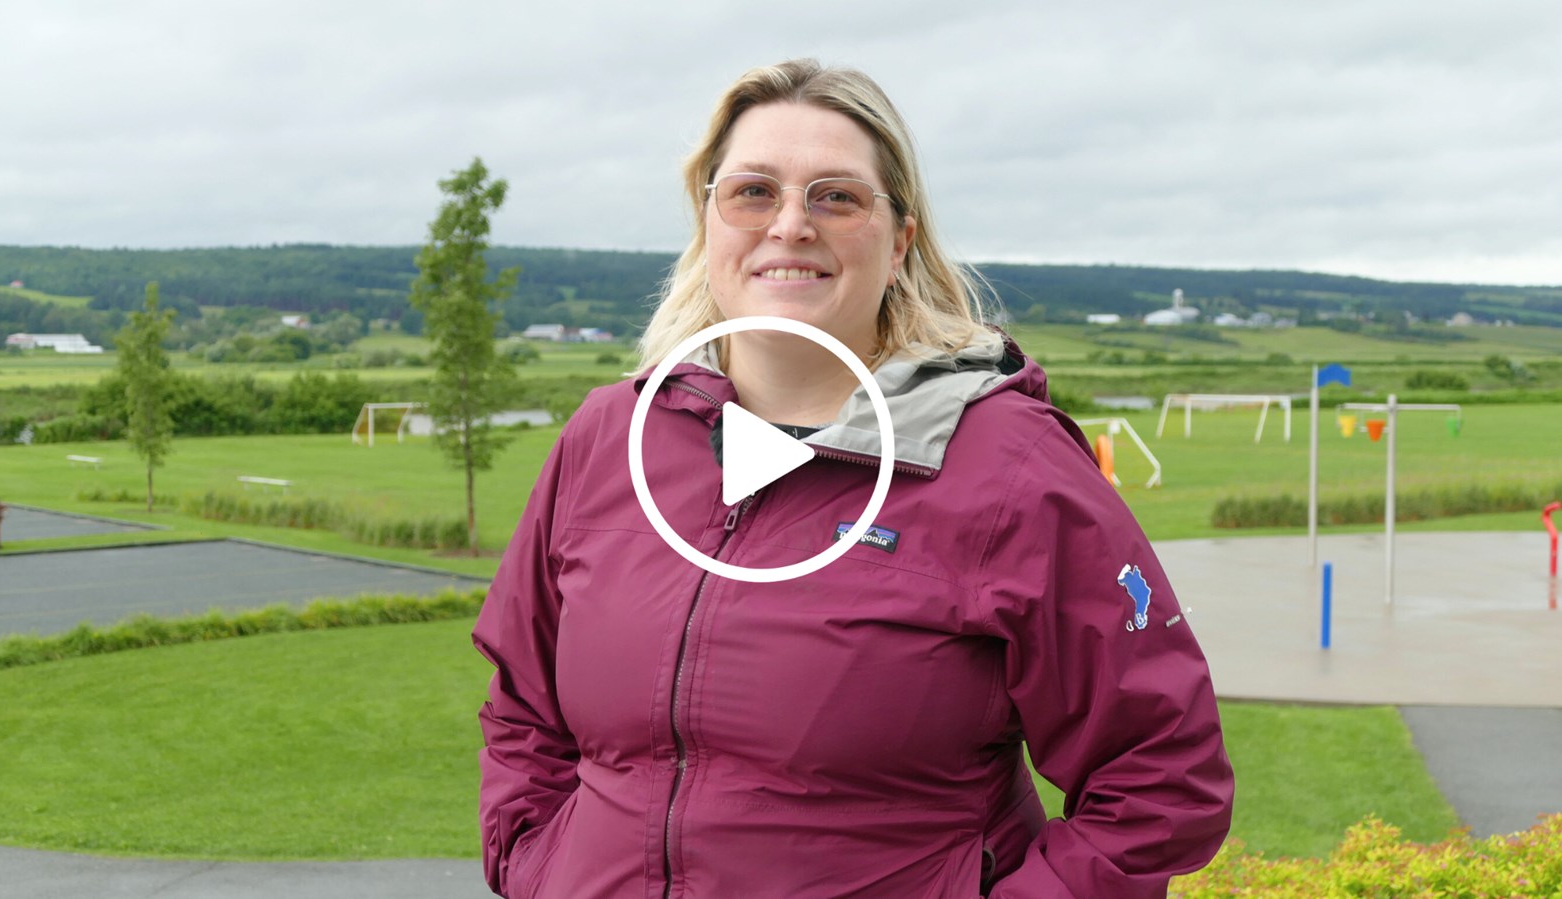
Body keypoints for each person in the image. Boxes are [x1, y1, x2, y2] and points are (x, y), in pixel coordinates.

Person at [474, 58, 1233, 898]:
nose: (790, 225)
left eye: (836, 196)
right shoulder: (609, 436)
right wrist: (537, 863)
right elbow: (524, 709)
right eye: (752, 192)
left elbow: (1161, 778)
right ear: (709, 220)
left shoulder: (1011, 467)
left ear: (900, 237)